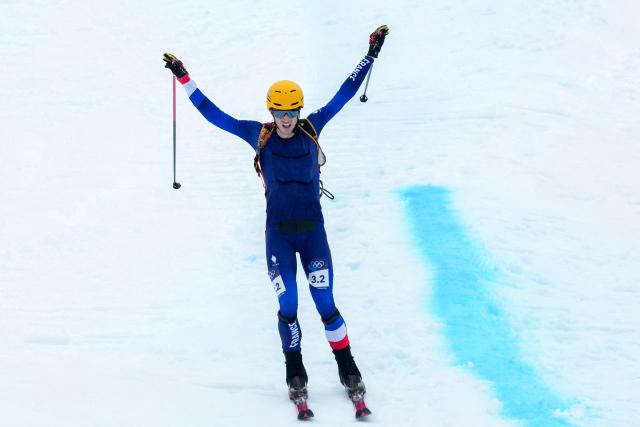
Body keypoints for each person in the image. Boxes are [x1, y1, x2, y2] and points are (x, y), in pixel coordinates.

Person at [163, 25, 389, 401]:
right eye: (280, 112)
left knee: (326, 303)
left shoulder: (312, 128)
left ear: (299, 111)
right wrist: (184, 77)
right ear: (271, 111)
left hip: (313, 232)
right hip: (279, 236)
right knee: (288, 305)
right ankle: (295, 370)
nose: (286, 119)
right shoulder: (259, 135)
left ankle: (347, 367)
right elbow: (212, 114)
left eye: (291, 112)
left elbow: (345, 93)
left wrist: (370, 55)